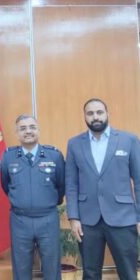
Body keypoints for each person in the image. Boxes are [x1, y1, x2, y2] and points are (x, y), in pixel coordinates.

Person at [66, 98, 140, 280]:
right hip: (87, 221)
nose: (95, 117)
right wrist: (74, 217)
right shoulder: (74, 143)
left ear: (107, 114)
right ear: (85, 117)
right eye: (90, 113)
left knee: (128, 272)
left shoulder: (128, 140)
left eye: (99, 112)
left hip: (123, 217)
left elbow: (138, 181)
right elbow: (71, 183)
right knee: (90, 273)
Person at [0, 115, 65, 280]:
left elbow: (61, 185)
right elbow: (5, 185)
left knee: (52, 267)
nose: (28, 131)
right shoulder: (8, 157)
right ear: (16, 133)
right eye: (22, 128)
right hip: (20, 220)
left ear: (38, 130)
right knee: (21, 269)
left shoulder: (54, 155)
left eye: (32, 127)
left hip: (48, 219)